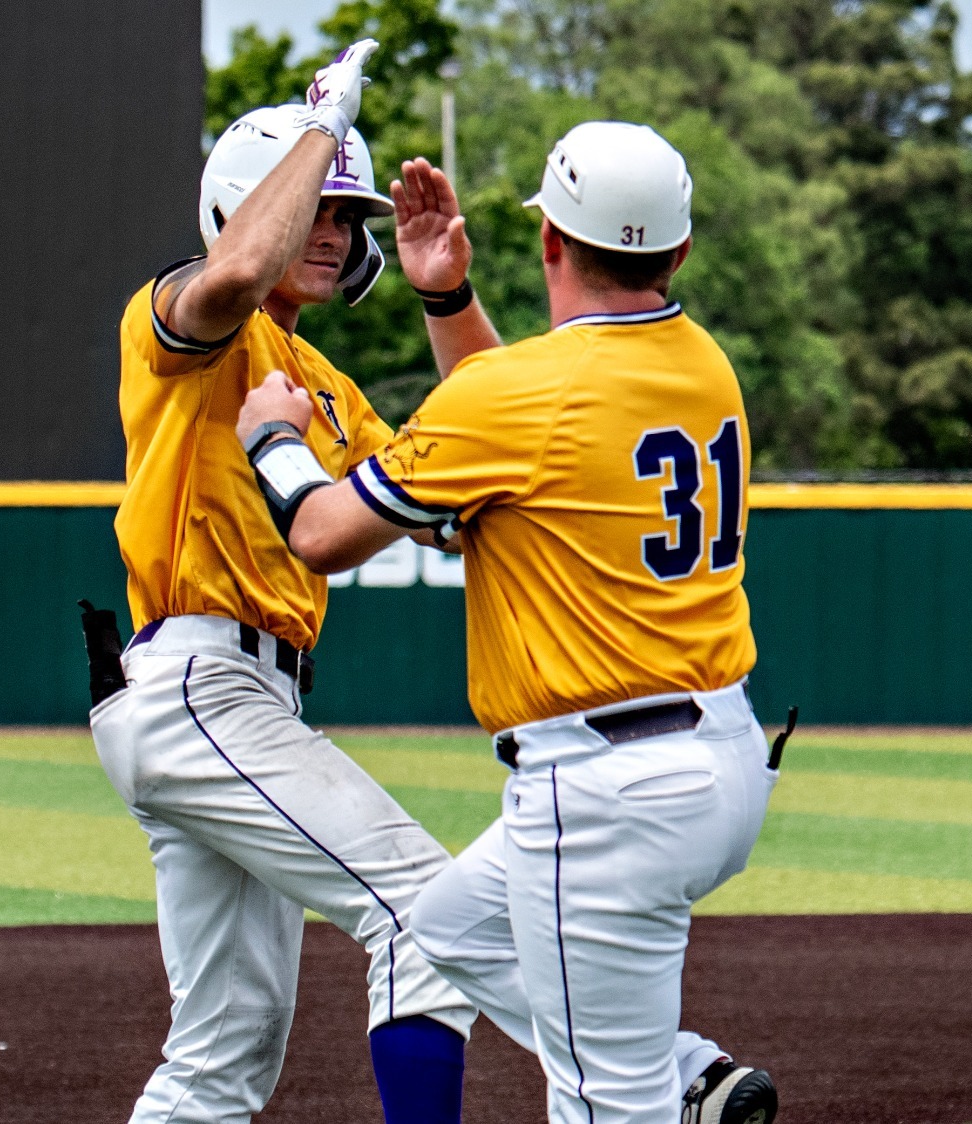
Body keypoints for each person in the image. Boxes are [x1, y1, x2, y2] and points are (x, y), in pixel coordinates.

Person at [233, 122, 781, 1124]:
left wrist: (271, 438)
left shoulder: (515, 397)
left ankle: (663, 1085)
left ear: (547, 243)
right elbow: (512, 424)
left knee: (602, 1107)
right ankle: (687, 1073)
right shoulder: (701, 362)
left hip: (606, 787)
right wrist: (444, 297)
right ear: (679, 250)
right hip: (723, 755)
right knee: (448, 925)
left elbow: (317, 533)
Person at [87, 40, 475, 1124]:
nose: (332, 227)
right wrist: (320, 128)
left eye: (347, 215)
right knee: (427, 909)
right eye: (314, 204)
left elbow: (462, 501)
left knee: (219, 1062)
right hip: (197, 683)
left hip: (247, 697)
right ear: (242, 200)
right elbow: (230, 279)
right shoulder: (182, 324)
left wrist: (452, 302)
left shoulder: (327, 385)